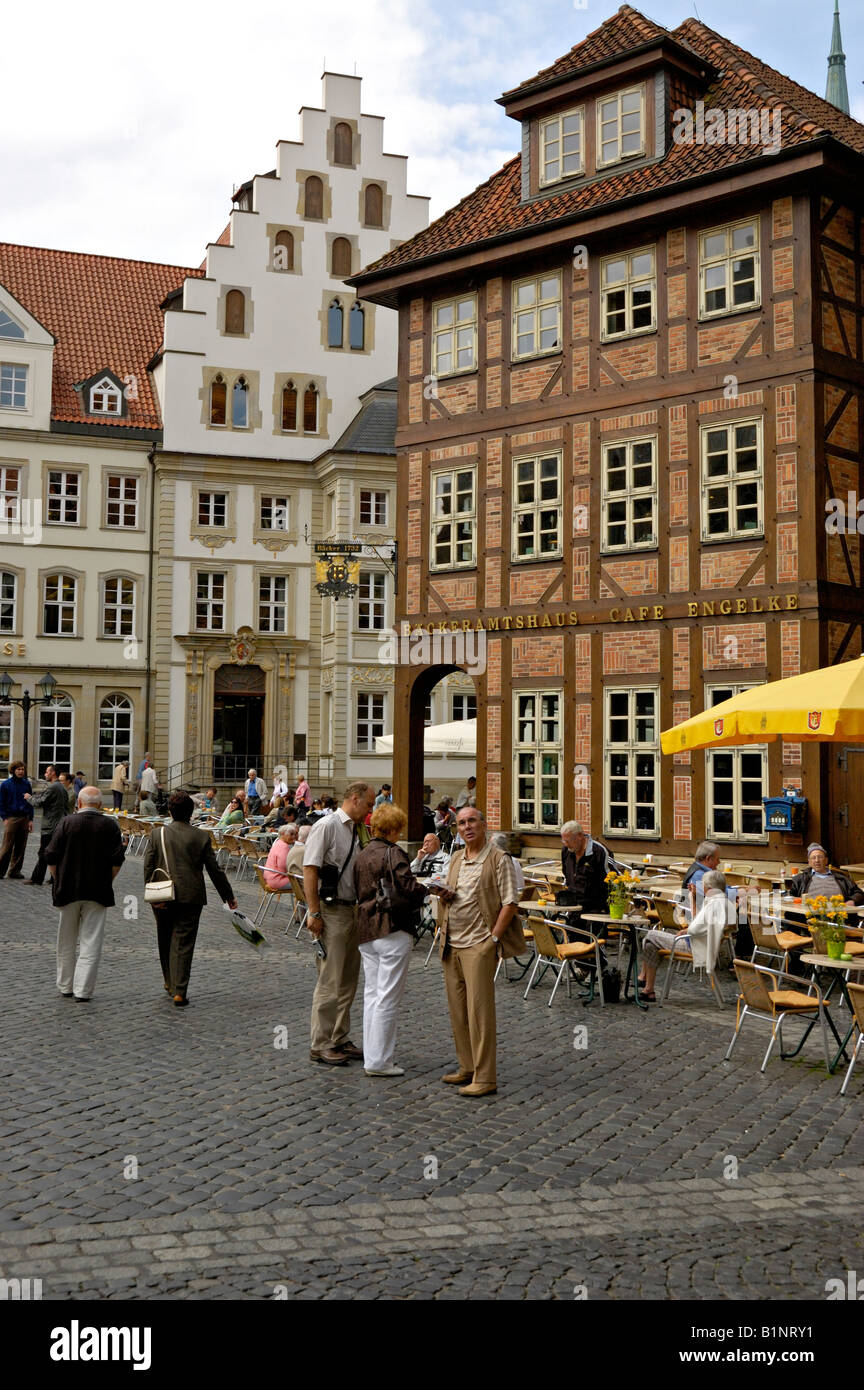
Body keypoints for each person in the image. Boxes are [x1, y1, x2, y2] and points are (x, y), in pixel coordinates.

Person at [354, 803, 447, 1077]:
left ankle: (372, 1057)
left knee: (372, 994)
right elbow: (407, 887)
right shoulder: (393, 852)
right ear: (393, 829)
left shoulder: (364, 852)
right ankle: (380, 1061)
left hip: (366, 928)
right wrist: (426, 888)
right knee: (388, 996)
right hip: (392, 927)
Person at [437, 805, 522, 1098]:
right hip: (452, 942)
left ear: (484, 825)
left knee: (479, 1013)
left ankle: (485, 1077)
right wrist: (443, 894)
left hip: (479, 944)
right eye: (461, 823)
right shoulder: (458, 857)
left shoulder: (499, 859)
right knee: (458, 1011)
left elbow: (510, 902)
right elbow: (451, 892)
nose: (466, 827)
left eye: (472, 821)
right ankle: (467, 1066)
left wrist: (493, 940)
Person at [302, 781, 375, 1066]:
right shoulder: (328, 825)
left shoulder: (358, 830)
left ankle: (339, 1036)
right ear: (355, 799)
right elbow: (310, 869)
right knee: (330, 979)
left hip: (352, 909)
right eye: (368, 804)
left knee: (347, 980)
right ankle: (320, 1043)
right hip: (332, 911)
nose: (370, 810)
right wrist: (314, 912)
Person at [143, 791, 237, 1006]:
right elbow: (215, 870)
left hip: (162, 893)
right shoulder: (201, 836)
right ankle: (180, 990)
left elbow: (148, 865)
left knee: (165, 938)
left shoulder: (157, 835)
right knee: (184, 942)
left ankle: (169, 982)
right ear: (191, 812)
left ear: (169, 812)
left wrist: (149, 894)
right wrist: (228, 896)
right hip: (191, 895)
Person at [44, 786, 125, 1001]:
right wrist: (108, 880)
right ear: (100, 805)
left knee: (66, 941)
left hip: (68, 888)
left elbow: (50, 856)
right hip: (98, 890)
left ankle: (65, 985)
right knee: (91, 941)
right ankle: (83, 990)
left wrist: (58, 877)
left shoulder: (66, 822)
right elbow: (117, 860)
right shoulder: (110, 825)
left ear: (79, 803)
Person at [639, 869, 733, 1001]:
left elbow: (694, 928)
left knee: (650, 935)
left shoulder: (714, 904)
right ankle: (648, 990)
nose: (702, 887)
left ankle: (644, 981)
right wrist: (693, 899)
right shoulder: (720, 901)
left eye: (703, 884)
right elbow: (697, 925)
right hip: (701, 945)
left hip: (695, 947)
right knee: (650, 945)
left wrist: (687, 930)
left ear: (709, 887)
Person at [27, 766, 70, 886]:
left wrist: (29, 798)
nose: (45, 774)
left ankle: (37, 878)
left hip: (50, 826)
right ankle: (53, 878)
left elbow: (40, 802)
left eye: (47, 772)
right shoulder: (60, 787)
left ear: (53, 773)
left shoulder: (53, 787)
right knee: (56, 852)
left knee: (44, 852)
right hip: (58, 824)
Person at [558, 821, 610, 913]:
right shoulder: (566, 851)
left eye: (568, 841)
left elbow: (612, 879)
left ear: (580, 836)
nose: (565, 844)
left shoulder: (599, 852)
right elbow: (566, 873)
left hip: (595, 908)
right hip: (573, 904)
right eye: (563, 840)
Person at [789, 843, 864, 906]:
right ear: (809, 862)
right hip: (810, 915)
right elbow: (791, 898)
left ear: (826, 860)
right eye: (813, 858)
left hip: (839, 914)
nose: (817, 860)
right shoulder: (800, 879)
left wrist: (852, 901)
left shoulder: (842, 877)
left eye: (820, 857)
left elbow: (859, 893)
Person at [0, 760, 34, 879]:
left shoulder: (26, 784)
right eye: (18, 769)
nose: (21, 771)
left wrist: (31, 819)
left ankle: (14, 871)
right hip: (12, 818)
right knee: (7, 846)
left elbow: (30, 802)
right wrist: (4, 817)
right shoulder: (5, 784)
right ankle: (1, 871)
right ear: (13, 770)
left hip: (24, 817)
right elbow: (1, 802)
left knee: (21, 846)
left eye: (22, 769)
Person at [263, 824, 299, 889]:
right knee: (307, 882)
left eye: (294, 834)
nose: (294, 837)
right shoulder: (284, 846)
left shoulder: (277, 843)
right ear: (283, 834)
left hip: (270, 878)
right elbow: (283, 867)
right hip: (277, 881)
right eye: (291, 834)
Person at [491, 832, 526, 897]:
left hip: (510, 899)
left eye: (490, 845)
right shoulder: (514, 860)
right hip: (520, 896)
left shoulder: (500, 862)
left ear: (495, 846)